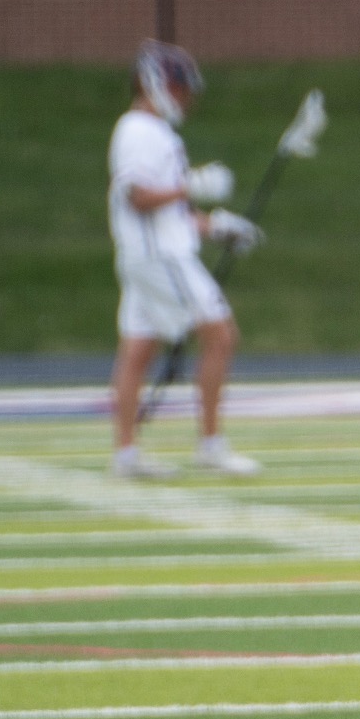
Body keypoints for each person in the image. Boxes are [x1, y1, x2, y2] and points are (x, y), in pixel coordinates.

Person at [107, 40, 263, 479]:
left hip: (146, 255)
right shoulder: (139, 130)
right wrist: (191, 186)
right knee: (221, 336)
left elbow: (169, 212)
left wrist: (215, 226)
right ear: (156, 84)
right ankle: (211, 444)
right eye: (180, 88)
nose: (186, 97)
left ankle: (126, 453)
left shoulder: (151, 131)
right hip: (161, 258)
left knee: (138, 351)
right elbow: (138, 197)